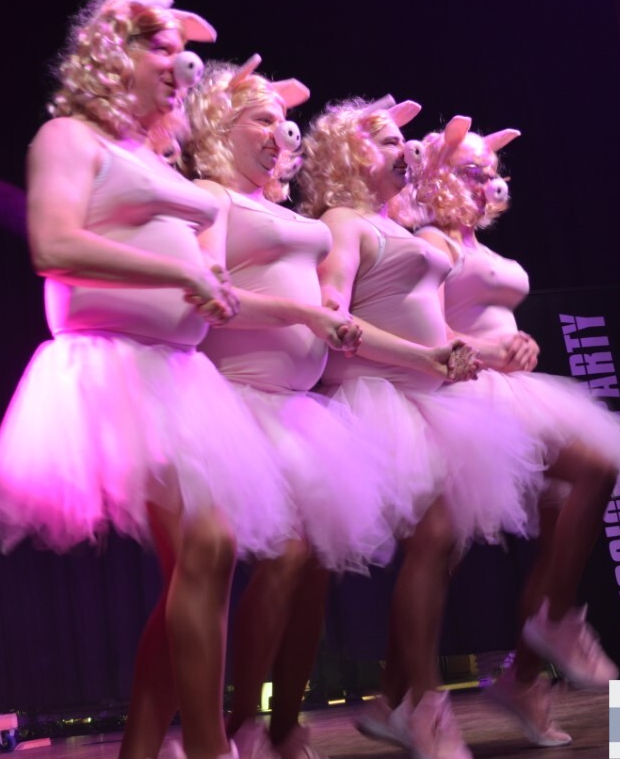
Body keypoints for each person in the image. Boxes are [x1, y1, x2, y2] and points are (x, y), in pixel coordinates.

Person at [0, 0, 294, 759]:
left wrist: (220, 288)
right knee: (208, 547)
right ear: (114, 55)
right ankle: (211, 748)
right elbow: (54, 245)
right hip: (114, 369)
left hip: (180, 374)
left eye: (181, 52)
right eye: (159, 46)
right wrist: (176, 273)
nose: (177, 64)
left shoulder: (159, 161)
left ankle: (144, 749)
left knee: (204, 560)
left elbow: (191, 259)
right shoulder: (68, 137)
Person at [299, 97, 541, 759]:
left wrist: (480, 351)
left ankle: (401, 700)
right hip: (380, 399)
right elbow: (336, 319)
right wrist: (424, 358)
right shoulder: (342, 222)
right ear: (350, 154)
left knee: (445, 543)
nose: (402, 148)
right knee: (433, 536)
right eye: (385, 140)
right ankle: (425, 707)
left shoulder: (403, 226)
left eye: (402, 140)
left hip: (431, 395)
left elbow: (435, 320)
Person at [400, 116, 620, 746]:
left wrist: (520, 344)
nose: (486, 182)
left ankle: (527, 672)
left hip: (514, 392)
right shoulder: (432, 242)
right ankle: (410, 694)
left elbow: (492, 317)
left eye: (490, 172)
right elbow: (422, 327)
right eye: (471, 170)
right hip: (462, 395)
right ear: (439, 176)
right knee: (441, 548)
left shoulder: (479, 247)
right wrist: (490, 350)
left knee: (569, 506)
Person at [181, 56, 395, 759]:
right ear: (223, 126)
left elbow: (317, 284)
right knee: (287, 554)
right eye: (263, 119)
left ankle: (284, 723)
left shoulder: (284, 209)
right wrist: (305, 313)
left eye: (284, 121)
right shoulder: (211, 197)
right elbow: (212, 295)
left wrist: (330, 309)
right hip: (239, 404)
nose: (281, 132)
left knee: (316, 565)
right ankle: (244, 720)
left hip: (300, 411)